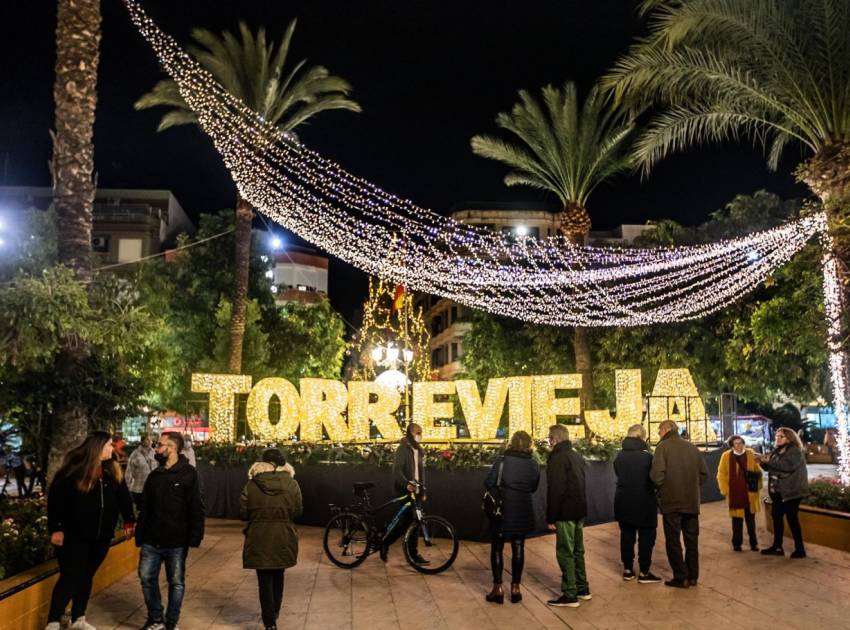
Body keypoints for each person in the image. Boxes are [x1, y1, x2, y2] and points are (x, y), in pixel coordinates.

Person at [46, 431, 135, 630]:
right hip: (74, 537)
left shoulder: (112, 471)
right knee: (70, 576)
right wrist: (56, 528)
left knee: (86, 576)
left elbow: (123, 497)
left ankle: (78, 618)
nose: (113, 448)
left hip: (101, 537)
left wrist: (129, 520)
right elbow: (56, 501)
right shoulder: (73, 471)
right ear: (98, 447)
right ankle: (53, 621)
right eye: (110, 444)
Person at [136, 431, 205, 630]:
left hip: (176, 540)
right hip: (151, 539)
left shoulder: (189, 474)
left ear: (172, 448)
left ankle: (171, 621)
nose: (156, 449)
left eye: (160, 445)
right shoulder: (155, 475)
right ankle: (155, 618)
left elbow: (196, 506)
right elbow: (145, 507)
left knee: (176, 582)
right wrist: (140, 534)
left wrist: (195, 535)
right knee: (146, 578)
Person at [240, 448, 302, 630]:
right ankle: (274, 612)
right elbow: (298, 511)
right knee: (279, 574)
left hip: (259, 536)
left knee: (264, 579)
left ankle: (269, 622)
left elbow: (242, 512)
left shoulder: (252, 485)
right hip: (283, 535)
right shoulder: (292, 484)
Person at [484, 430, 540, 604]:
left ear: (512, 443)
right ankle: (516, 588)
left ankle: (498, 588)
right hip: (523, 508)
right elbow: (533, 487)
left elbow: (488, 483)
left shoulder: (502, 461)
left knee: (497, 547)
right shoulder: (533, 464)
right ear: (529, 445)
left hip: (503, 509)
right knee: (518, 547)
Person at [650, 420, 708, 589]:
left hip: (672, 502)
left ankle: (680, 577)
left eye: (659, 430)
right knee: (691, 540)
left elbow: (656, 476)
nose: (658, 433)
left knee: (673, 541)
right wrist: (691, 487)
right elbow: (704, 474)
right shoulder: (691, 447)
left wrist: (663, 489)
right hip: (691, 502)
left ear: (667, 429)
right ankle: (693, 576)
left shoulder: (662, 447)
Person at [545, 424, 590, 608]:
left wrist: (551, 517)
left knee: (565, 552)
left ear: (554, 439)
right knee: (578, 551)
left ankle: (570, 594)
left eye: (549, 439)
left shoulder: (557, 459)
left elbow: (555, 490)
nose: (549, 442)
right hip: (579, 511)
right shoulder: (576, 456)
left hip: (565, 512)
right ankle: (583, 588)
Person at [613, 424, 661, 583]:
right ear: (641, 437)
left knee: (626, 536)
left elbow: (617, 473)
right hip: (644, 501)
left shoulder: (619, 456)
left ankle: (628, 570)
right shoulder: (647, 457)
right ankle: (644, 572)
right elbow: (654, 479)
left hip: (623, 501)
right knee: (646, 536)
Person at [757, 427, 808, 558]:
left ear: (789, 438)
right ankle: (777, 547)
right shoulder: (777, 450)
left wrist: (768, 461)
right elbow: (771, 467)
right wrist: (762, 462)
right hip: (778, 493)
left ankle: (800, 550)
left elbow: (787, 467)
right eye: (777, 436)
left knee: (792, 520)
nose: (778, 439)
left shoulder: (794, 451)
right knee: (777, 518)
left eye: (781, 436)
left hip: (791, 492)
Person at [383, 422, 428, 563]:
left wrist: (423, 490)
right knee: (407, 524)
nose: (420, 435)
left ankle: (412, 554)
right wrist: (406, 484)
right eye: (417, 432)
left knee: (415, 524)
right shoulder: (403, 449)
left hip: (416, 492)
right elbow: (397, 471)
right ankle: (388, 544)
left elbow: (421, 472)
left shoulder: (418, 450)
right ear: (410, 433)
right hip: (405, 491)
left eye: (421, 433)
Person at [716, 435, 761, 552]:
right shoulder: (726, 456)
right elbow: (721, 474)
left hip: (749, 492)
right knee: (736, 520)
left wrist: (757, 485)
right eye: (736, 443)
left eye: (741, 443)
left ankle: (753, 543)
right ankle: (737, 543)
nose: (739, 445)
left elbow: (757, 471)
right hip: (735, 493)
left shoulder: (750, 454)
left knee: (751, 520)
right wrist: (725, 490)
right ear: (732, 446)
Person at [125, 435, 157, 513]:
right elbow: (129, 471)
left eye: (151, 440)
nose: (150, 442)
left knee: (151, 511)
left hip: (152, 488)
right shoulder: (135, 454)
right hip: (139, 488)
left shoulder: (154, 453)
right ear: (142, 441)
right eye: (147, 440)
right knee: (140, 511)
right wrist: (127, 487)